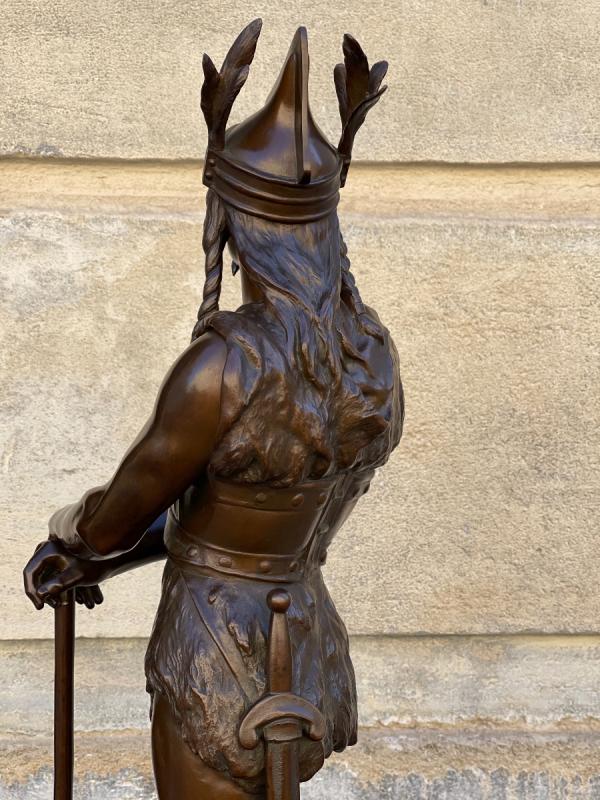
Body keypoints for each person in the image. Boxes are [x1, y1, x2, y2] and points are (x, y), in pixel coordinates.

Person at [23, 20, 403, 799]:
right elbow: (235, 522)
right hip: (305, 643)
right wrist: (102, 560)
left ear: (236, 229)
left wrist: (75, 540)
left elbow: (119, 514)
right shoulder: (372, 357)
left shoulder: (224, 367)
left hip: (216, 652)